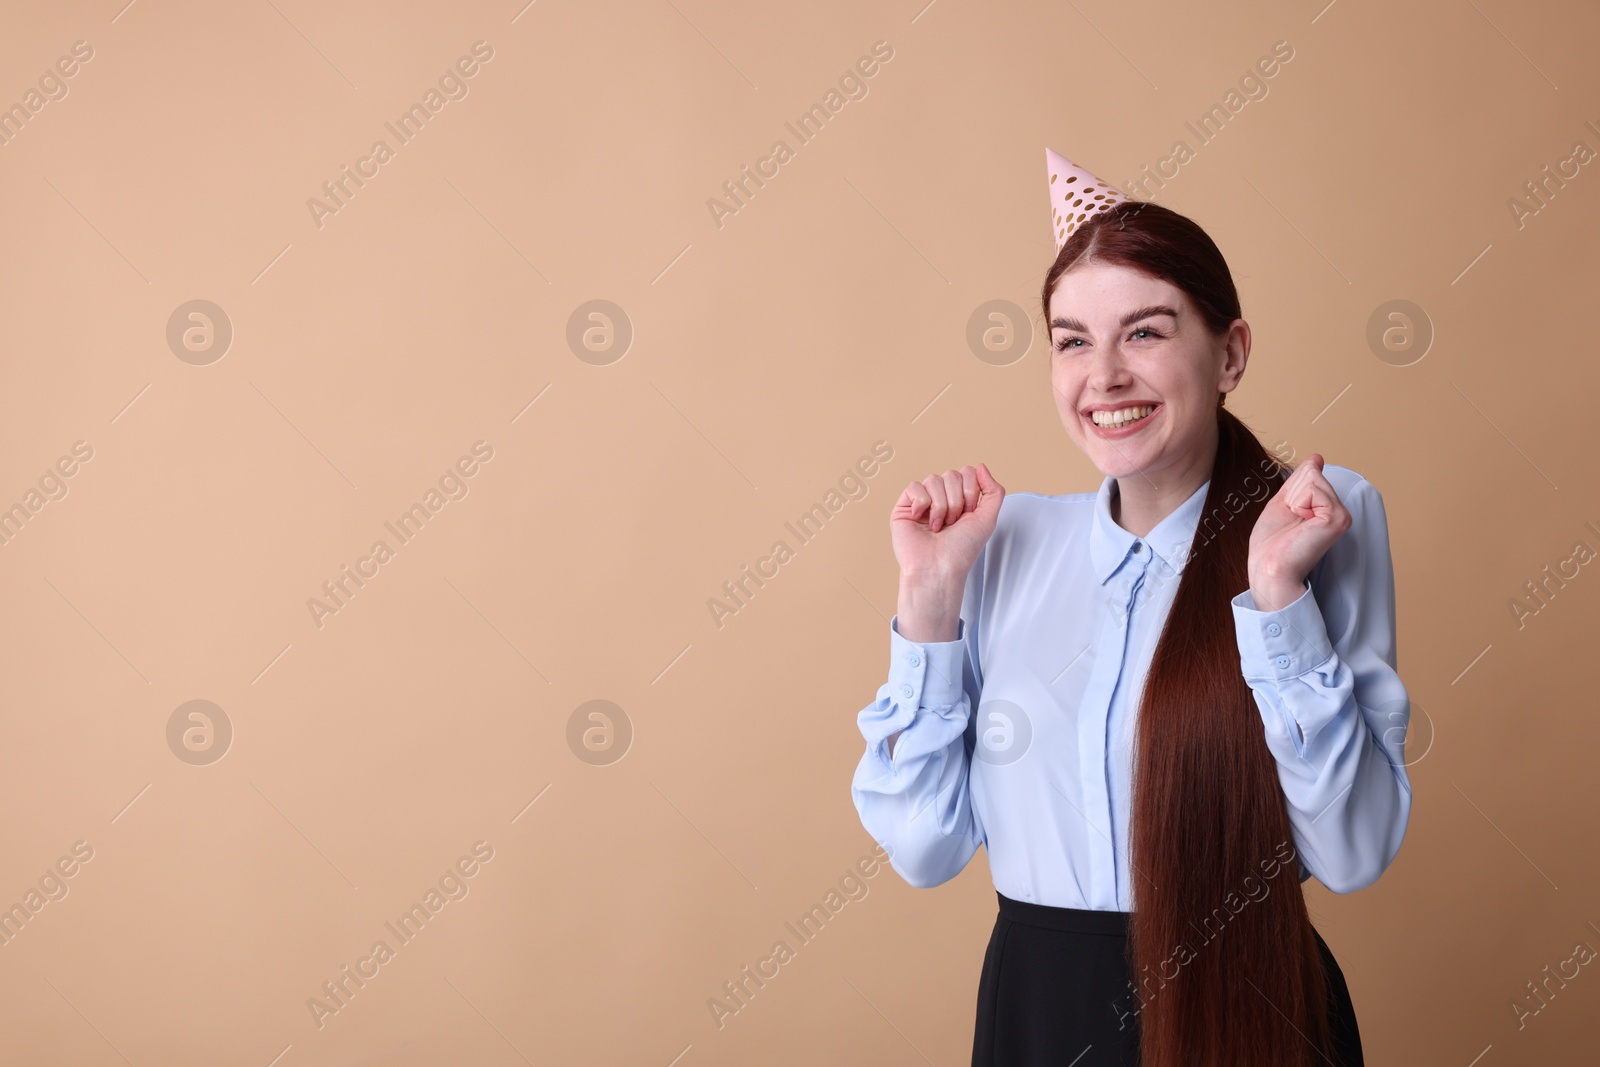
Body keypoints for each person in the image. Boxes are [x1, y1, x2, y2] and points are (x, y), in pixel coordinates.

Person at [849, 150, 1412, 1067]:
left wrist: (1276, 599)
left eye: (1144, 332)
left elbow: (1351, 852)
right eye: (1073, 340)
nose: (1104, 375)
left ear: (1228, 352)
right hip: (1038, 1015)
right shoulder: (1003, 544)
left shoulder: (1314, 519)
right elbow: (922, 847)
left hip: (1250, 1005)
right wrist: (928, 599)